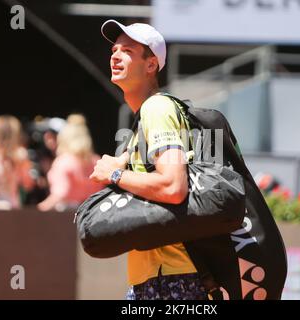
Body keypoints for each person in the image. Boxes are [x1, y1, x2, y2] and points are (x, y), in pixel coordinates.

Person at [89, 20, 207, 300]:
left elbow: (172, 187)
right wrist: (125, 162)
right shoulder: (148, 115)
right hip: (162, 277)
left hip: (172, 280)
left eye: (127, 51)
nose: (115, 56)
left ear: (151, 65)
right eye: (114, 50)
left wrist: (114, 174)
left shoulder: (156, 108)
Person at [37, 114, 102, 212]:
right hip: (93, 213)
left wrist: (40, 209)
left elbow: (61, 193)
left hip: (67, 215)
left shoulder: (63, 162)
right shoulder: (96, 161)